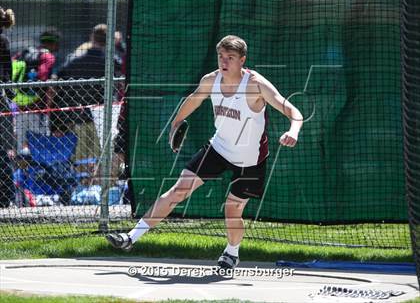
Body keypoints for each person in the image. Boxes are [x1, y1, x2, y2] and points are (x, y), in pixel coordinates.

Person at [106, 35, 303, 269]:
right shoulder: (211, 80)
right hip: (218, 148)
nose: (224, 61)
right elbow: (194, 99)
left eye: (230, 57)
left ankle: (231, 252)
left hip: (250, 159)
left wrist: (294, 130)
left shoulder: (255, 84)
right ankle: (131, 238)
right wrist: (176, 123)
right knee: (178, 190)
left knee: (232, 209)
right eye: (221, 56)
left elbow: (291, 109)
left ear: (242, 60)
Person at [51, 24, 107, 165]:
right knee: (99, 155)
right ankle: (97, 184)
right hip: (101, 116)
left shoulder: (75, 60)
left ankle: (81, 184)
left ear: (92, 37)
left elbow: (57, 78)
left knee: (80, 156)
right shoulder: (110, 61)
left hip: (78, 114)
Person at [12, 28, 60, 151]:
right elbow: (45, 80)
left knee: (20, 148)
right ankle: (39, 170)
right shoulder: (48, 56)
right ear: (54, 43)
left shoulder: (23, 53)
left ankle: (21, 170)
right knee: (39, 147)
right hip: (39, 110)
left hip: (20, 108)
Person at [0, 6, 16, 207]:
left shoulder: (2, 40)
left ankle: (5, 196)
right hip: (4, 98)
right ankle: (6, 196)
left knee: (2, 151)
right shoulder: (4, 39)